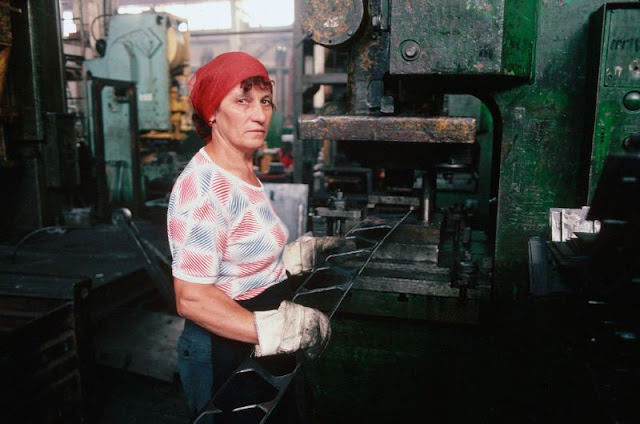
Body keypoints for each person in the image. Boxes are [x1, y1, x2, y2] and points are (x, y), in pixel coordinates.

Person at [166, 51, 331, 423]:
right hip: (222, 348)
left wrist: (286, 259)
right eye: (242, 101)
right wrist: (270, 328)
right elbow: (191, 298)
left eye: (265, 101)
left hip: (253, 334)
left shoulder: (239, 169)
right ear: (211, 112)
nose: (259, 114)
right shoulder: (205, 186)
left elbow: (233, 253)